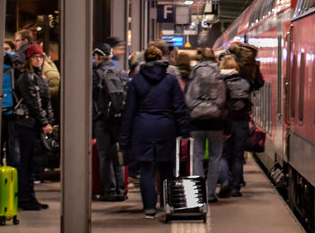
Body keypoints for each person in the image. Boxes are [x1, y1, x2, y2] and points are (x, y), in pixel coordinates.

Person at [120, 44, 189, 218]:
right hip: (166, 127)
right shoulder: (170, 80)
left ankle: (149, 208)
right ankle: (166, 204)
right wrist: (184, 132)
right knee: (166, 168)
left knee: (147, 169)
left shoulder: (136, 80)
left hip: (142, 127)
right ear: (161, 59)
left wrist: (124, 139)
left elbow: (129, 111)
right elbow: (179, 107)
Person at [10, 43, 54, 211]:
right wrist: (44, 122)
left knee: (31, 162)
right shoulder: (26, 77)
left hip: (34, 124)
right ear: (29, 59)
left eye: (41, 57)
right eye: (35, 57)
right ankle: (25, 197)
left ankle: (30, 196)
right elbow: (33, 103)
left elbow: (45, 101)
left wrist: (48, 120)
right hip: (26, 124)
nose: (39, 60)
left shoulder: (38, 76)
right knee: (26, 161)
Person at [184, 48, 226, 204]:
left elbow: (187, 98)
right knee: (215, 157)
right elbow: (224, 100)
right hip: (216, 121)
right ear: (214, 58)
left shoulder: (193, 73)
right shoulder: (219, 74)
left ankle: (198, 194)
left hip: (196, 121)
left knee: (197, 157)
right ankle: (210, 193)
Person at [92, 44, 128, 201]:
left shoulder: (94, 75)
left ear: (98, 57)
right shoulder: (121, 73)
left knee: (105, 157)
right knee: (118, 155)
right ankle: (121, 190)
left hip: (102, 119)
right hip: (119, 120)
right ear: (111, 56)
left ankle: (110, 191)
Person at [218, 54, 251, 198]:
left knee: (224, 155)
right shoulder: (244, 82)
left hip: (225, 122)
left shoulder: (219, 81)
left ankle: (224, 181)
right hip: (242, 122)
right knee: (238, 156)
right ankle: (235, 188)